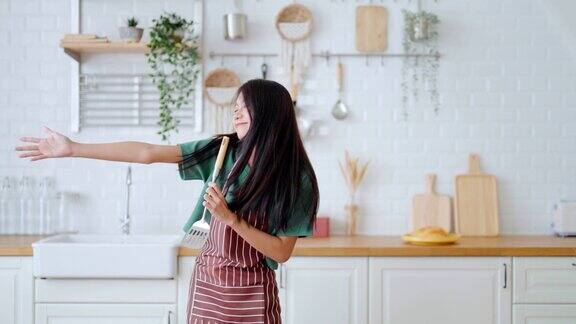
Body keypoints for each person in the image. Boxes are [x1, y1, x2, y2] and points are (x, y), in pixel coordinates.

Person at [15, 78, 320, 324]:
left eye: (245, 108)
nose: (236, 114)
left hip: (254, 294)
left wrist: (231, 219)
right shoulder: (221, 151)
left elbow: (281, 252)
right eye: (235, 108)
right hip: (208, 287)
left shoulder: (296, 179)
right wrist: (74, 149)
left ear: (268, 115)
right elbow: (147, 153)